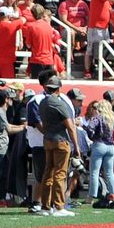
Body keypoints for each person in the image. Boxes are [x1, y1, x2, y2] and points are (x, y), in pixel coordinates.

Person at [32, 71, 77, 216]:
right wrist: (77, 146)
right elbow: (70, 126)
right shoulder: (59, 103)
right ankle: (58, 206)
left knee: (48, 173)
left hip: (48, 140)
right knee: (60, 173)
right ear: (58, 88)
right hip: (60, 140)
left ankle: (46, 207)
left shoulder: (43, 102)